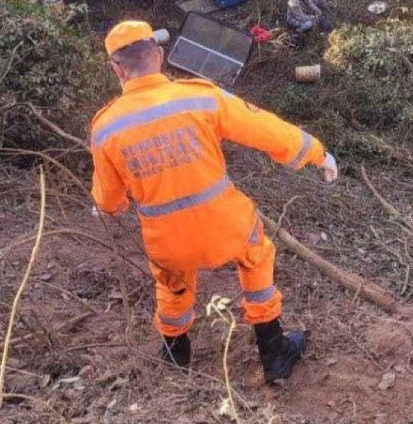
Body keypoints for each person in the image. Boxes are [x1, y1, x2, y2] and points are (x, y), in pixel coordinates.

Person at [89, 20, 338, 383]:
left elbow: (109, 200)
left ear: (117, 69)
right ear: (159, 56)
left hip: (169, 244)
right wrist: (317, 152)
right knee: (256, 257)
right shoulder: (201, 96)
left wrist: (104, 207)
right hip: (227, 230)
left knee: (171, 283)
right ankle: (274, 352)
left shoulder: (106, 127)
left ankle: (176, 354)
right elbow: (266, 130)